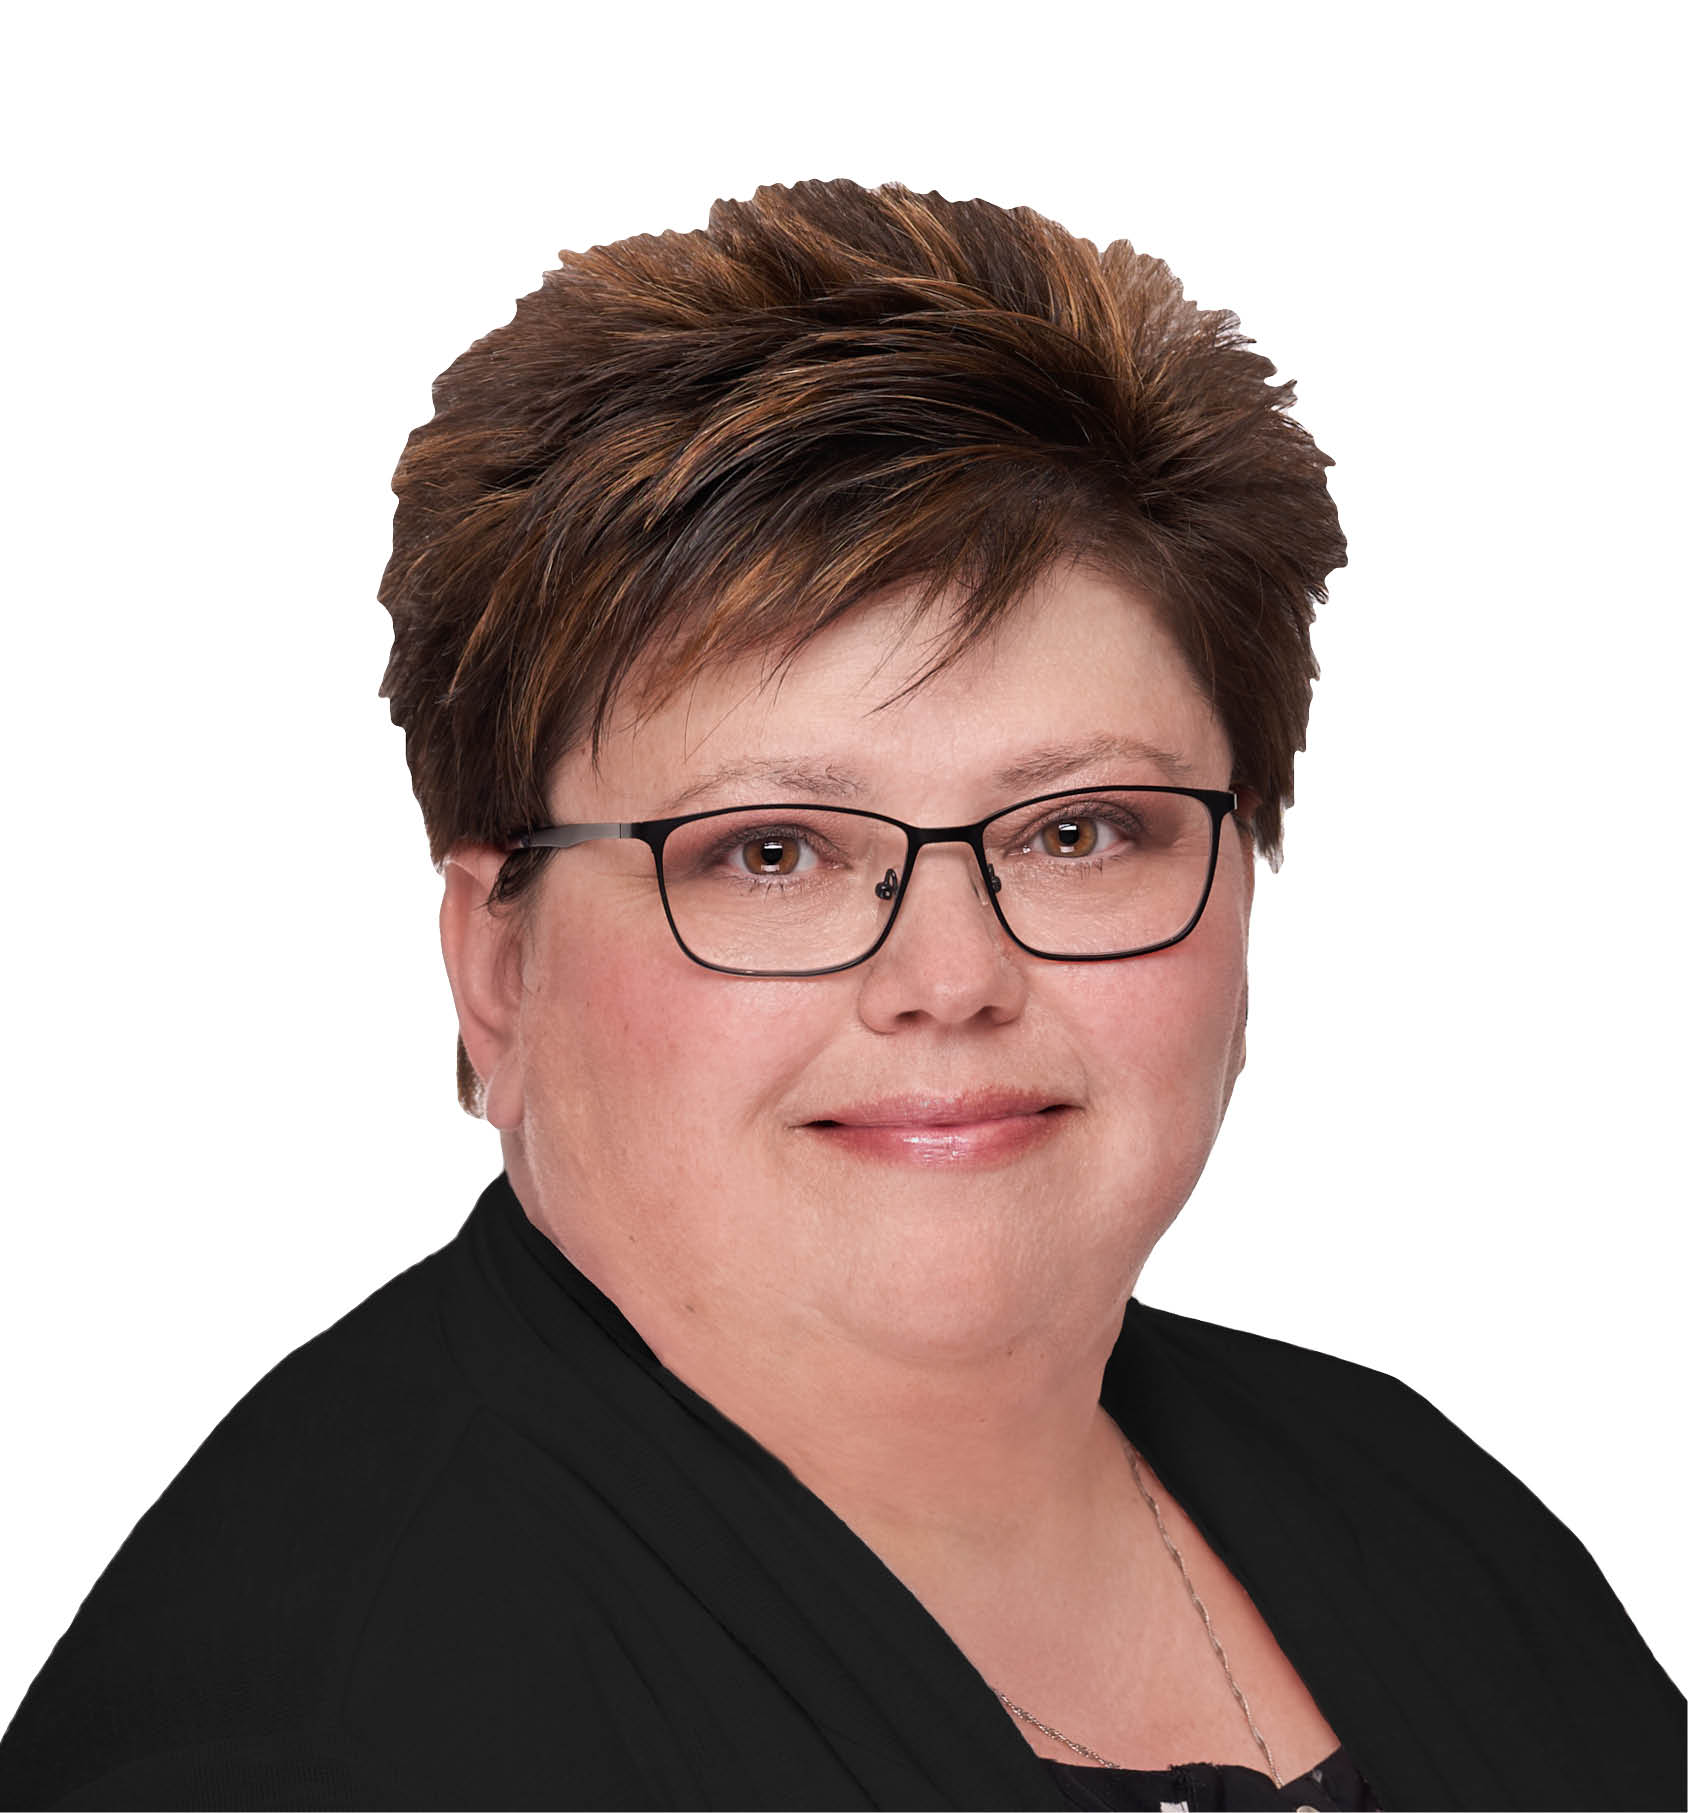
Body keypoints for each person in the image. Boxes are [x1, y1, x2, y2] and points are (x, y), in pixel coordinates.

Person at [0, 177, 1680, 1813]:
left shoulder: (1417, 1506)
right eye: (773, 851)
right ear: (497, 966)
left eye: (1079, 830)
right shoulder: (304, 1746)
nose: (951, 979)